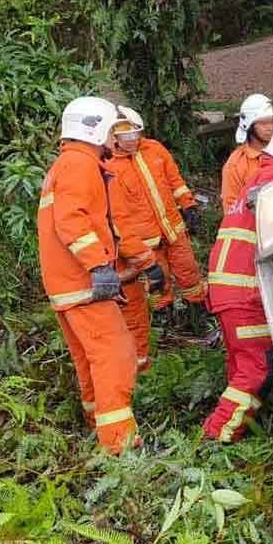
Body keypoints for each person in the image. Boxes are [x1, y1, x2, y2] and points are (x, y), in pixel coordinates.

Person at [202, 120, 273, 442]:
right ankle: (217, 436)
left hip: (229, 289)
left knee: (243, 367)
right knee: (257, 369)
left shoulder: (258, 176)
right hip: (246, 293)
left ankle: (232, 430)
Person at [37, 96, 140, 454]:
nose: (117, 139)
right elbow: (72, 221)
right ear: (95, 128)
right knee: (116, 356)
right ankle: (120, 446)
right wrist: (99, 266)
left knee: (91, 360)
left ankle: (98, 426)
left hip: (67, 286)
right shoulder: (79, 164)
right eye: (114, 130)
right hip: (82, 284)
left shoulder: (67, 165)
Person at [104, 107, 206, 324]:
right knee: (159, 281)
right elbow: (118, 214)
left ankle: (197, 311)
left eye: (135, 134)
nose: (132, 140)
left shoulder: (155, 149)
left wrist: (188, 205)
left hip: (174, 228)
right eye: (125, 136)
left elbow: (175, 181)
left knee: (188, 270)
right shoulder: (110, 167)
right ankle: (163, 317)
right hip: (146, 240)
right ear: (114, 137)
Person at [105, 117, 167, 373]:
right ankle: (135, 374)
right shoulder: (109, 172)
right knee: (131, 321)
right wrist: (148, 263)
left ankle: (135, 373)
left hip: (110, 261)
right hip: (116, 261)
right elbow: (121, 226)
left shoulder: (86, 171)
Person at [220, 94, 273, 213]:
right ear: (249, 126)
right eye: (263, 123)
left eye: (272, 121)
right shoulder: (235, 165)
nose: (270, 127)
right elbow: (231, 210)